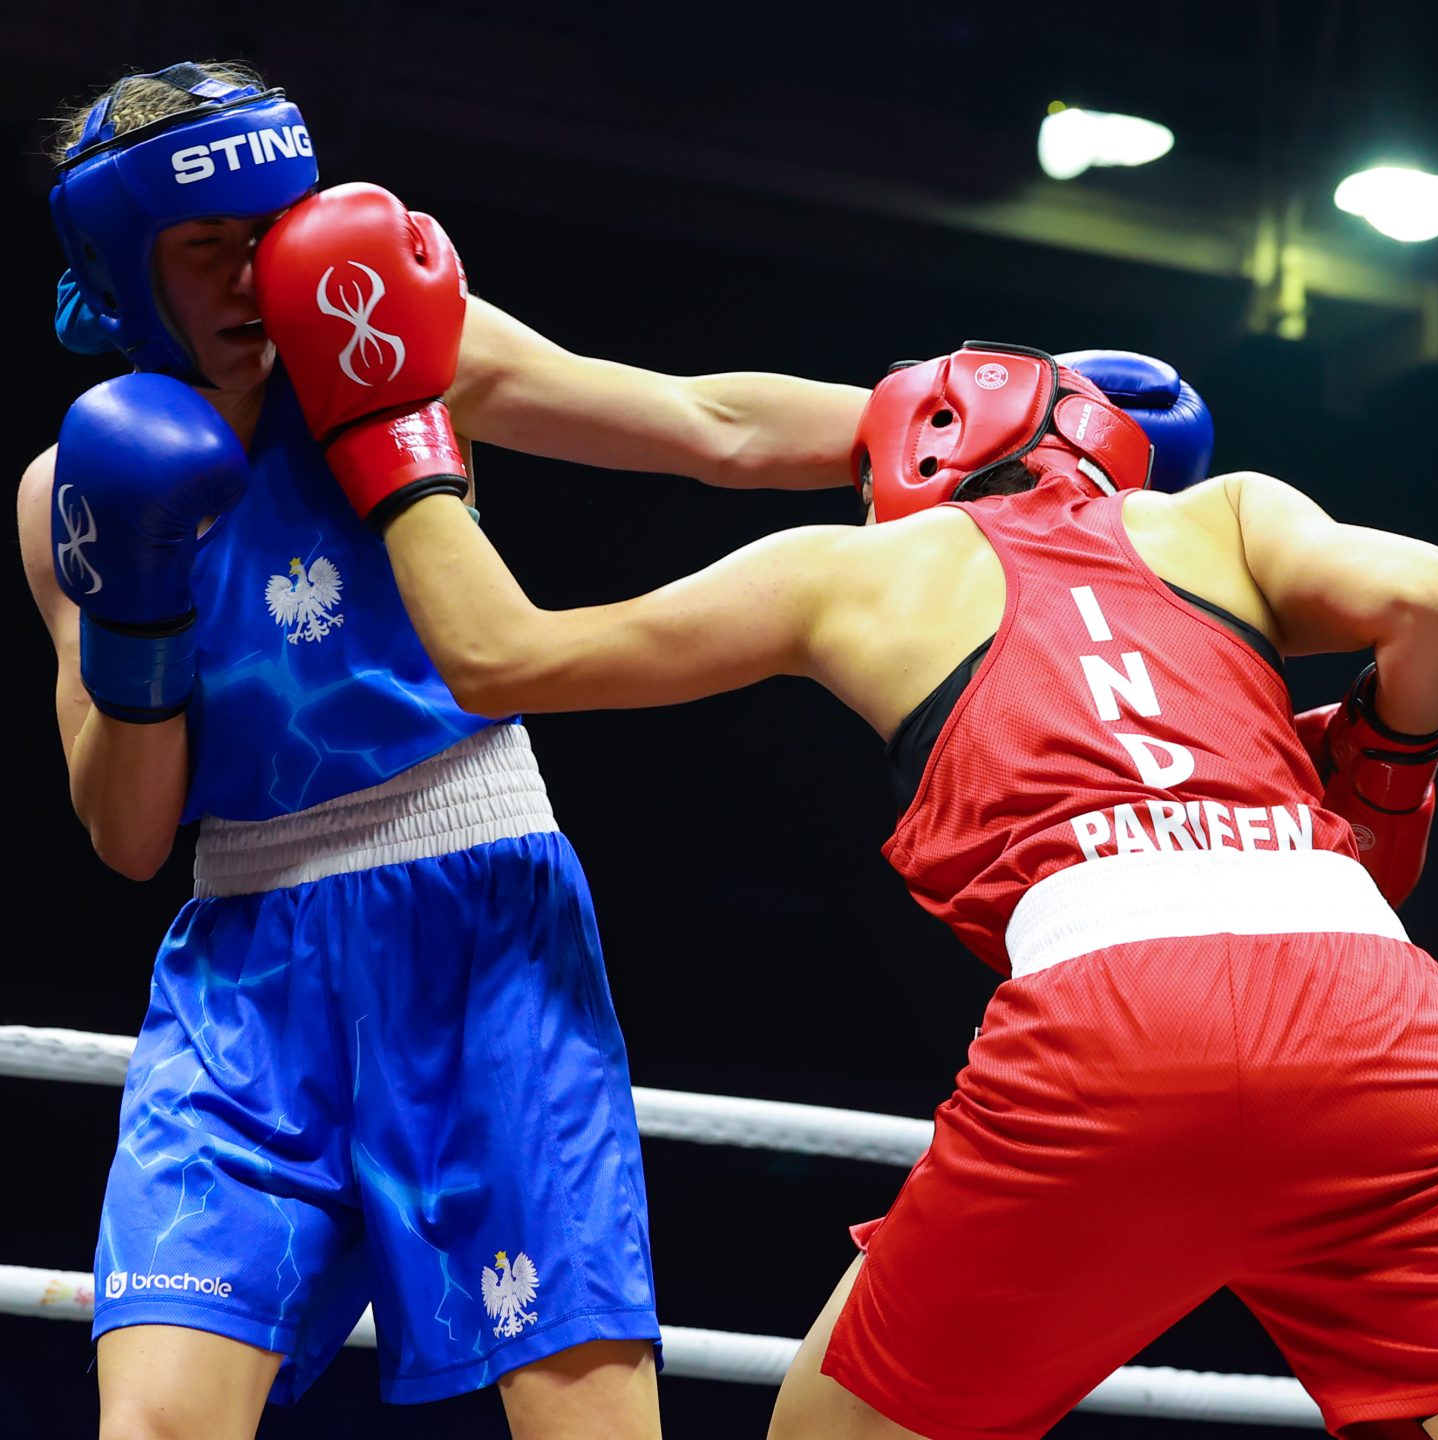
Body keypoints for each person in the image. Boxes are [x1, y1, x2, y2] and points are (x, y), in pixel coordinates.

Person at [324, 335, 1438, 1440]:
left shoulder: (855, 566)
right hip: (1370, 1008)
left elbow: (505, 659)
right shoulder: (1224, 515)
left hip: (1116, 1016)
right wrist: (1385, 763)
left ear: (918, 451)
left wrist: (390, 436)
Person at [25, 60, 879, 1439]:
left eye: (268, 232)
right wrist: (141, 618)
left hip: (479, 910)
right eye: (203, 246)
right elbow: (128, 837)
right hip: (246, 969)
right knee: (158, 1423)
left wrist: (967, 418)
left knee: (584, 1421)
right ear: (125, 268)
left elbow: (704, 426)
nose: (251, 276)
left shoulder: (380, 337)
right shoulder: (70, 493)